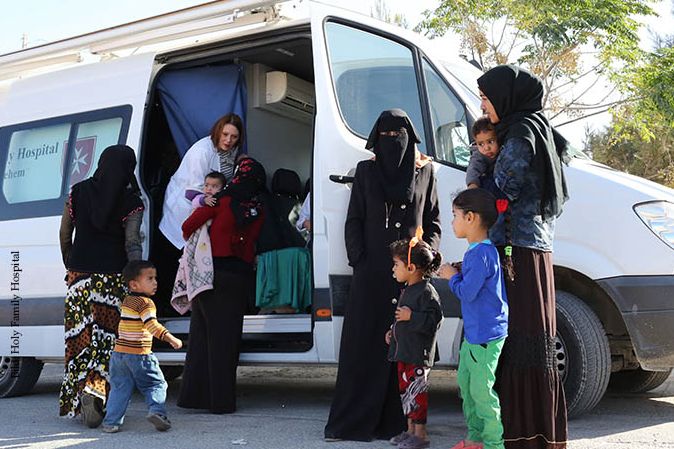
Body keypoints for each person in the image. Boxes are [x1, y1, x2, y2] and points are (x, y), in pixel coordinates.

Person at [324, 109, 441, 442]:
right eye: (387, 136)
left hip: (410, 274)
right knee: (364, 344)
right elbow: (354, 220)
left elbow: (432, 221)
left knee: (403, 347)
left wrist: (425, 260)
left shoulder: (425, 172)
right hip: (372, 272)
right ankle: (353, 423)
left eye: (399, 135)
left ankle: (400, 424)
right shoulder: (366, 171)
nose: (393, 142)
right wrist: (359, 260)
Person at [478, 64, 569, 448]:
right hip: (533, 250)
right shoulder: (539, 129)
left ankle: (521, 434)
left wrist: (476, 179)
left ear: (505, 97)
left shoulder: (519, 135)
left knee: (519, 340)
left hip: (516, 250)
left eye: (485, 98)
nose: (482, 106)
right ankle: (538, 432)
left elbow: (504, 188)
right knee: (533, 339)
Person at [58, 145, 144, 427]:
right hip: (112, 280)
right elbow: (132, 243)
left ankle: (79, 396)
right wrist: (136, 277)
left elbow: (64, 232)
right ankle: (98, 395)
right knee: (108, 342)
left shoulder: (78, 192)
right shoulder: (132, 200)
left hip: (79, 277)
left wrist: (70, 262)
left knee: (80, 339)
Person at [177, 156, 266, 414]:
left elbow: (187, 226)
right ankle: (221, 401)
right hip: (238, 279)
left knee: (202, 337)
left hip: (210, 276)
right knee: (226, 342)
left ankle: (194, 397)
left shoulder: (222, 200)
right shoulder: (258, 207)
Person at [438, 189, 509, 449]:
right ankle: (475, 439)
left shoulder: (480, 254)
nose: (452, 221)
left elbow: (467, 292)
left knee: (481, 392)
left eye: (455, 215)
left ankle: (493, 444)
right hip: (476, 334)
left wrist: (450, 276)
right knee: (467, 388)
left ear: (471, 218)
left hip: (485, 335)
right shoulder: (477, 253)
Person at [102, 260, 183, 433]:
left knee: (120, 388)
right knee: (156, 384)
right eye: (150, 278)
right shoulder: (146, 304)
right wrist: (171, 338)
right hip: (140, 354)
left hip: (119, 354)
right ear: (134, 284)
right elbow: (151, 325)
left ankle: (111, 422)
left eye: (155, 278)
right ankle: (157, 412)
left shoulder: (127, 301)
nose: (155, 282)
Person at [385, 231, 443, 449]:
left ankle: (421, 435)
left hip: (418, 355)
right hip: (405, 352)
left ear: (411, 268)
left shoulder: (427, 292)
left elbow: (435, 320)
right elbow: (403, 319)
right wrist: (394, 331)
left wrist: (412, 317)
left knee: (417, 393)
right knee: (407, 394)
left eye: (396, 265)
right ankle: (410, 431)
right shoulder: (408, 290)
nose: (393, 269)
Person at [160, 112, 245, 249]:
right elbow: (196, 189)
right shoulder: (201, 152)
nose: (228, 140)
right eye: (225, 134)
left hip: (207, 208)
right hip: (185, 206)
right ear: (218, 132)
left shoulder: (232, 150)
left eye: (234, 137)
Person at [466, 117, 501, 190]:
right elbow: (474, 168)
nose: (486, 148)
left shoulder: (506, 151)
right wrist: (473, 185)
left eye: (490, 142)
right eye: (481, 144)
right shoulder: (479, 155)